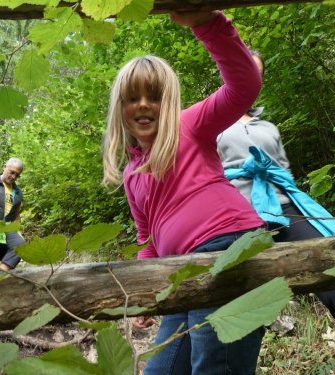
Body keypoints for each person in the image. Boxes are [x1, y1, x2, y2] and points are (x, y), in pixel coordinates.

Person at [102, 9, 267, 375]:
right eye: (133, 97)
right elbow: (148, 241)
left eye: (154, 95)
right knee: (160, 370)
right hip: (177, 275)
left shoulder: (188, 125)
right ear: (121, 109)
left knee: (215, 366)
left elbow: (244, 86)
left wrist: (206, 23)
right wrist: (147, 295)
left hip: (226, 249)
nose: (143, 104)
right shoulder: (131, 175)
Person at [217, 51, 335, 375]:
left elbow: (283, 171)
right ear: (226, 70)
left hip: (288, 211)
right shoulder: (209, 119)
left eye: (255, 74)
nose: (247, 78)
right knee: (232, 315)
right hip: (236, 217)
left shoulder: (268, 126)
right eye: (240, 68)